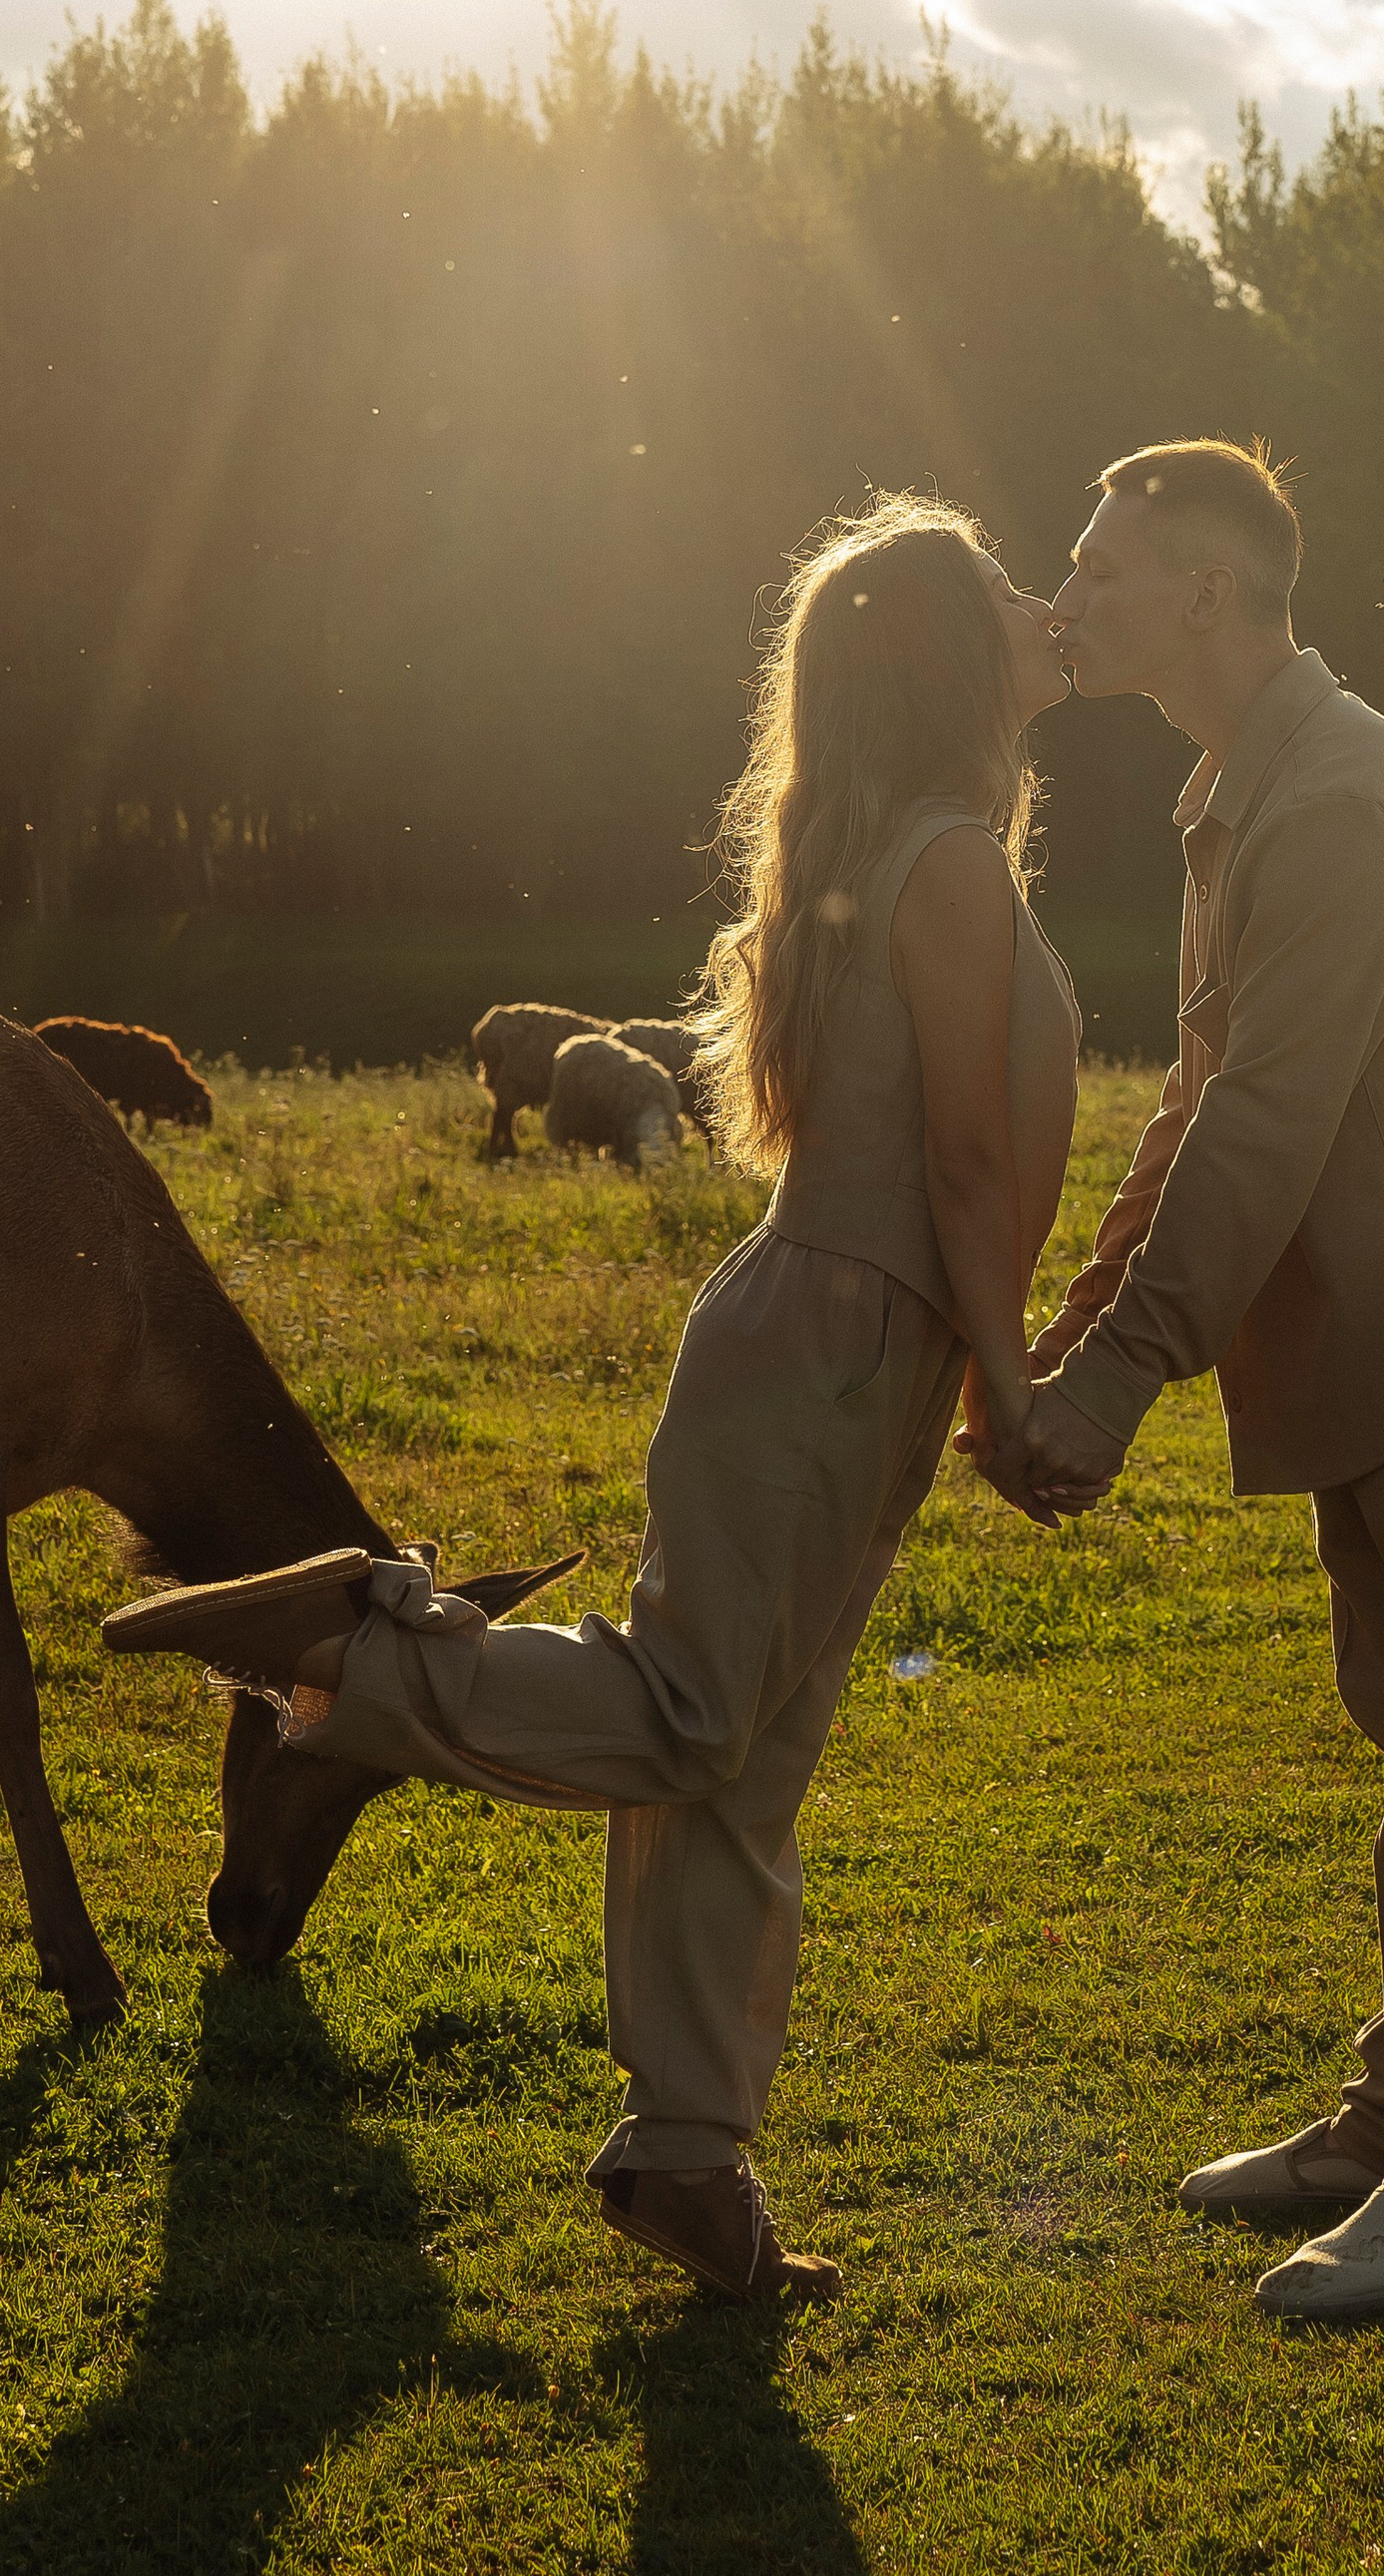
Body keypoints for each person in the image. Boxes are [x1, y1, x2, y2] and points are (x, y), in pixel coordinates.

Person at [107, 495, 1081, 2307]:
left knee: (744, 1762)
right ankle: (363, 1646)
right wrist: (1008, 1383)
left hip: (840, 1342)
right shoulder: (948, 857)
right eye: (1015, 583)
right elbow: (960, 1154)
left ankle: (690, 2158)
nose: (1052, 600)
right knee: (705, 1720)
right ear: (960, 655)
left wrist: (971, 1364)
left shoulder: (924, 844)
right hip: (837, 1340)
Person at [990, 439, 1384, 2322]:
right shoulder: (1243, 789)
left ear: (1208, 590)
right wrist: (1078, 1320)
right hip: (1369, 1353)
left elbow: (1264, 1131)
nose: (1069, 590)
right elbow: (1203, 1096)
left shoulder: (1342, 797)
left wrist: (1112, 1383)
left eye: (1098, 561)